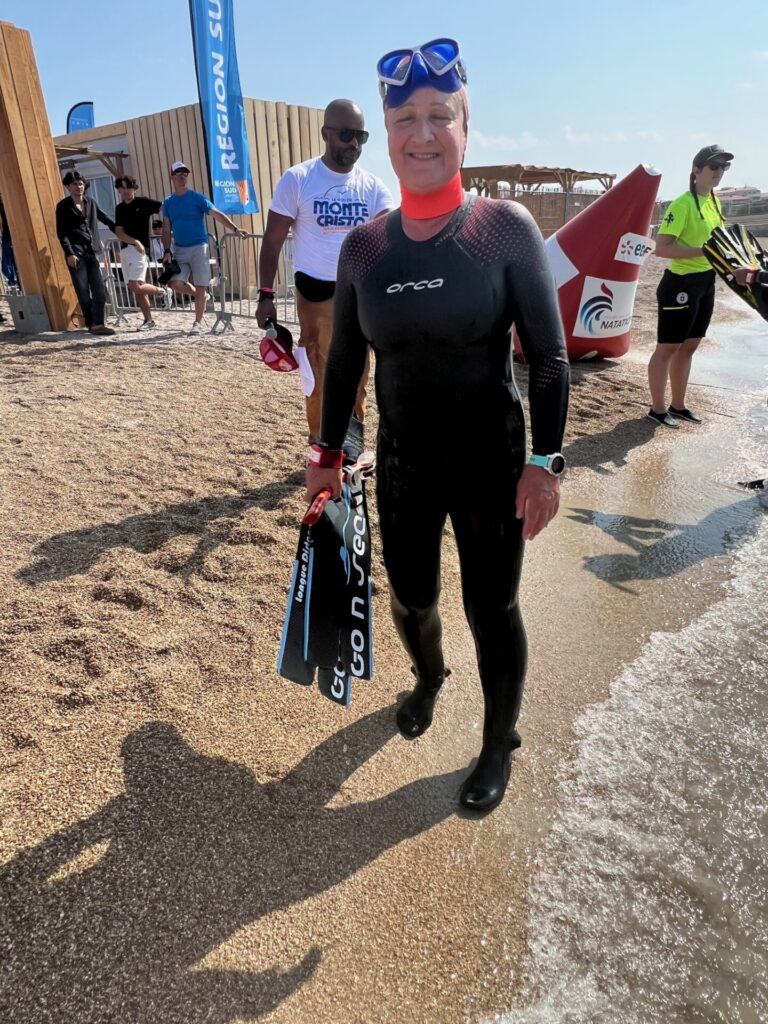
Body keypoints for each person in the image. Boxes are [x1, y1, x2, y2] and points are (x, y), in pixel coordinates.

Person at [304, 40, 569, 813]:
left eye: (440, 117)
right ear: (387, 134)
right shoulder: (365, 248)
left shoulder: (503, 229)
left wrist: (547, 461)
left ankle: (497, 741)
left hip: (493, 464)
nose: (422, 134)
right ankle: (428, 675)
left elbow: (549, 357)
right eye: (405, 119)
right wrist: (328, 453)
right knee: (411, 598)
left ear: (465, 127)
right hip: (405, 465)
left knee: (493, 608)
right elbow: (344, 363)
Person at [256, 100, 393, 449]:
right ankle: (322, 444)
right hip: (316, 295)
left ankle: (351, 447)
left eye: (362, 136)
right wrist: (265, 295)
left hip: (359, 296)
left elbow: (388, 241)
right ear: (326, 134)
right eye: (346, 134)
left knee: (359, 375)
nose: (355, 144)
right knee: (319, 373)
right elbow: (272, 241)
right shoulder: (299, 179)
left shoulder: (373, 187)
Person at [647, 144, 732, 427]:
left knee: (690, 346)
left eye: (724, 167)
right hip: (680, 284)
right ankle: (657, 409)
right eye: (714, 166)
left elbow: (719, 243)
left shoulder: (714, 201)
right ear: (696, 170)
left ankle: (679, 405)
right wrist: (703, 251)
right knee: (667, 348)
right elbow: (662, 248)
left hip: (705, 282)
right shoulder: (682, 204)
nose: (719, 172)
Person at [161, 160, 247, 334]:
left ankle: (197, 322)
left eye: (185, 173)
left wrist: (235, 229)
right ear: (172, 177)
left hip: (200, 247)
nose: (183, 176)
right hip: (179, 249)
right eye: (179, 173)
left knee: (201, 284)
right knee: (175, 283)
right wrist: (167, 250)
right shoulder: (168, 202)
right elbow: (166, 228)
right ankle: (201, 296)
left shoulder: (197, 198)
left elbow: (216, 214)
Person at [55, 171, 116, 336]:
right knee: (82, 290)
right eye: (74, 184)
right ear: (68, 187)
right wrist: (69, 253)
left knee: (99, 290)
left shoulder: (91, 202)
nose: (78, 187)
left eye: (80, 183)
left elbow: (106, 219)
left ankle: (98, 323)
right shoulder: (63, 206)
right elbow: (61, 232)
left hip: (92, 250)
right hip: (75, 252)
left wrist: (120, 230)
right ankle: (92, 324)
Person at [113, 176, 173, 331]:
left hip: (140, 251)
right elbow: (119, 232)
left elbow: (165, 206)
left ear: (134, 188)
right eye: (122, 188)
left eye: (128, 187)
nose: (126, 191)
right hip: (126, 249)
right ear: (119, 190)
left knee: (136, 285)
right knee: (135, 287)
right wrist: (134, 241)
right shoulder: (119, 208)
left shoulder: (143, 202)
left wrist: (171, 224)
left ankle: (162, 291)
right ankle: (149, 319)